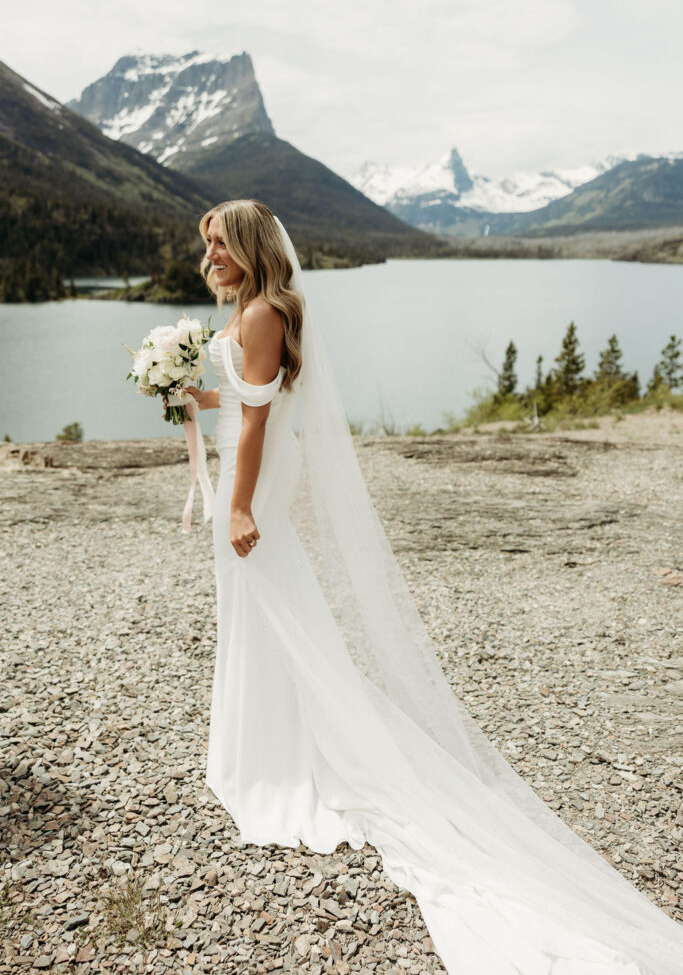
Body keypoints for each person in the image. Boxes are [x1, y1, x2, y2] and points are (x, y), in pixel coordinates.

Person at [184, 199, 682, 974]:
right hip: (254, 466)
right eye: (206, 245)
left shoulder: (262, 312)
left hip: (253, 477)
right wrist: (194, 397)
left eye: (219, 244)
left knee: (265, 595)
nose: (208, 255)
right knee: (258, 601)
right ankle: (268, 740)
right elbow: (254, 400)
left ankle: (276, 759)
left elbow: (255, 425)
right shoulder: (260, 309)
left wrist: (240, 504)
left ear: (250, 246)